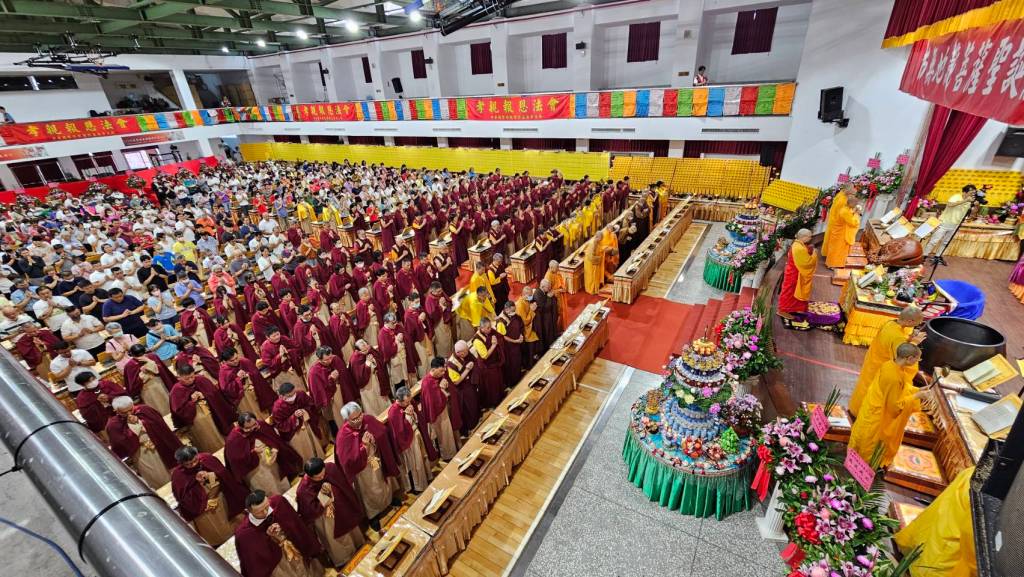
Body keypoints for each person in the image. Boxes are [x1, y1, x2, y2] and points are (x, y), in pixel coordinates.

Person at [848, 343, 930, 467]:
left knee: (862, 434)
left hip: (871, 407)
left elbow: (900, 389)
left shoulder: (889, 365)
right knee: (869, 441)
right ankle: (863, 464)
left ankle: (856, 458)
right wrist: (916, 397)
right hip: (878, 415)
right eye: (917, 359)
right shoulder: (894, 377)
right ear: (909, 358)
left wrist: (917, 390)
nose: (917, 362)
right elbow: (894, 408)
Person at [894, 465, 977, 577]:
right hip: (939, 560)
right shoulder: (986, 493)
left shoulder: (975, 473)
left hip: (928, 543)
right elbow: (974, 543)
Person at [849, 306, 925, 418]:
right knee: (873, 395)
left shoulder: (890, 323)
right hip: (881, 370)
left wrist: (908, 339)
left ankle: (855, 410)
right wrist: (914, 344)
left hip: (872, 363)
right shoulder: (897, 337)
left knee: (864, 388)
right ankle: (861, 415)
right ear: (910, 321)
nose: (916, 326)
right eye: (917, 323)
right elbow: (903, 358)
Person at [296, 457, 368, 569]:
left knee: (351, 529)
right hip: (325, 517)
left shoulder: (330, 468)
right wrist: (323, 498)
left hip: (342, 507)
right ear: (309, 476)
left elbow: (343, 484)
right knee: (335, 539)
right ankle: (344, 560)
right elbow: (310, 512)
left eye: (323, 474)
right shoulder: (303, 489)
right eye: (318, 477)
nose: (322, 478)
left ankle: (359, 546)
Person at [335, 402, 401, 520]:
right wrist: (364, 446)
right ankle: (374, 514)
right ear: (346, 420)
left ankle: (389, 501)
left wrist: (375, 439)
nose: (359, 419)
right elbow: (348, 461)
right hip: (363, 469)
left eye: (360, 415)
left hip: (377, 457)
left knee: (383, 482)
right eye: (354, 419)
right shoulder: (343, 435)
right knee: (370, 490)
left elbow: (383, 432)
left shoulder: (368, 419)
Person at [234, 490, 324, 577]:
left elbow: (296, 524)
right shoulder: (244, 534)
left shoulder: (278, 502)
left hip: (295, 546)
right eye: (260, 512)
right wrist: (270, 539)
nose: (265, 512)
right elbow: (254, 562)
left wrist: (283, 528)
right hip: (278, 565)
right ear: (248, 511)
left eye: (267, 507)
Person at [170, 445, 247, 547]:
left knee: (233, 523)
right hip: (202, 509)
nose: (193, 465)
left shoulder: (206, 458)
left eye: (195, 461)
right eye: (189, 464)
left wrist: (212, 475)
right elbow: (183, 498)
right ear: (182, 464)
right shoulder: (178, 475)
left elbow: (223, 474)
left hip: (220, 497)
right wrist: (198, 484)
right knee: (216, 531)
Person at [106, 396, 183, 488]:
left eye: (131, 409)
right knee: (157, 477)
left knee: (176, 471)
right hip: (141, 451)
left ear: (133, 404)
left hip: (160, 443)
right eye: (124, 413)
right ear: (117, 411)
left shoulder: (144, 410)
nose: (129, 413)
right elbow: (120, 443)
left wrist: (140, 422)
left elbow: (159, 424)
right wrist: (132, 427)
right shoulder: (113, 425)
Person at [224, 412, 301, 495]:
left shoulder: (261, 425)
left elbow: (273, 438)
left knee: (280, 481)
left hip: (272, 462)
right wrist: (252, 453)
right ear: (240, 426)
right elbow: (235, 460)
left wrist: (275, 449)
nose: (252, 429)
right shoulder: (234, 439)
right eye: (248, 428)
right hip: (255, 471)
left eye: (254, 425)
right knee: (269, 488)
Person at [169, 364, 234, 453]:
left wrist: (204, 395)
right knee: (208, 436)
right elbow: (179, 411)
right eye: (187, 379)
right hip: (196, 418)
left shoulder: (200, 379)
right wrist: (191, 402)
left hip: (213, 410)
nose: (191, 380)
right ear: (179, 377)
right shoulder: (176, 390)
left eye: (192, 376)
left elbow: (214, 393)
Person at [387, 386, 435, 492]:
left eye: (409, 401)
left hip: (417, 434)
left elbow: (417, 418)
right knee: (416, 463)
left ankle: (428, 476)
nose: (409, 404)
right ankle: (419, 486)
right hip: (408, 441)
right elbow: (399, 432)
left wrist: (413, 414)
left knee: (423, 457)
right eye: (406, 402)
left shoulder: (410, 402)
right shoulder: (393, 412)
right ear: (399, 400)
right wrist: (408, 416)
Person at [271, 382, 326, 464]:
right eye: (289, 396)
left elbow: (311, 404)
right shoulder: (277, 408)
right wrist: (294, 417)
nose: (293, 397)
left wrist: (304, 411)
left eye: (294, 394)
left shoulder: (300, 394)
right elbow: (280, 425)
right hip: (293, 432)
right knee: (304, 450)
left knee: (313, 443)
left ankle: (320, 459)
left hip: (306, 423)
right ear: (281, 396)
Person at [307, 345, 357, 430]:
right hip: (333, 397)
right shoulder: (314, 372)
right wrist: (331, 380)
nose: (330, 361)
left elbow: (345, 375)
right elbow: (320, 391)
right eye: (326, 360)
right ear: (319, 359)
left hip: (344, 390)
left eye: (330, 357)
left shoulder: (335, 359)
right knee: (341, 417)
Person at [924, 184, 977, 256]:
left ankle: (937, 256)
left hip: (955, 225)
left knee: (945, 242)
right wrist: (965, 200)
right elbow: (950, 204)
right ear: (964, 192)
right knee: (934, 241)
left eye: (974, 193)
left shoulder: (970, 201)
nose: (972, 194)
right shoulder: (956, 197)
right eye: (971, 192)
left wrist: (976, 205)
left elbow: (972, 214)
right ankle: (924, 255)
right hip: (944, 223)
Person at [777, 229, 818, 321]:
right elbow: (807, 263)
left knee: (795, 291)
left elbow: (804, 253)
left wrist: (809, 250)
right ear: (803, 237)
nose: (811, 238)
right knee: (789, 292)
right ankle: (782, 310)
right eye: (809, 236)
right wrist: (814, 254)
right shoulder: (798, 247)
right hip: (794, 273)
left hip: (795, 271)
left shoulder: (798, 244)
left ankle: (796, 308)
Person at [123, 343, 174, 415]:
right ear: (133, 355)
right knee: (156, 409)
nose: (141, 357)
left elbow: (161, 370)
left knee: (168, 403)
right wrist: (142, 375)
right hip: (146, 389)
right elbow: (133, 384)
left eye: (142, 354)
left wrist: (149, 362)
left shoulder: (152, 356)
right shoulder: (130, 365)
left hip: (159, 383)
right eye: (138, 356)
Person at [74, 370, 127, 435]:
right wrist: (98, 403)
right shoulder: (82, 398)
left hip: (123, 414)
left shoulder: (107, 384)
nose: (92, 382)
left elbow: (124, 395)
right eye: (88, 382)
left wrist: (109, 398)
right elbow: (86, 415)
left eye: (93, 379)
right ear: (82, 385)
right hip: (105, 424)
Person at [349, 339, 391, 417]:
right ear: (358, 350)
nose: (366, 348)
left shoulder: (371, 351)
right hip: (367, 387)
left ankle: (387, 414)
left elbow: (380, 361)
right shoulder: (355, 359)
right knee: (372, 405)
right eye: (363, 348)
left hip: (377, 381)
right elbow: (359, 378)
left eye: (366, 345)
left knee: (382, 400)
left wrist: (374, 362)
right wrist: (367, 364)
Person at [447, 340, 480, 437]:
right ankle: (471, 426)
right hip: (462, 389)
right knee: (468, 408)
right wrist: (467, 369)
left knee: (474, 403)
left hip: (470, 384)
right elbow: (456, 382)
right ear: (458, 353)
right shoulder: (451, 364)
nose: (467, 353)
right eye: (465, 352)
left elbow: (473, 360)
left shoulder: (465, 354)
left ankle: (476, 420)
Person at [471, 317, 505, 409]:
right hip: (486, 366)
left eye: (490, 327)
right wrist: (494, 345)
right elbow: (484, 356)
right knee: (491, 385)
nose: (490, 329)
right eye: (488, 328)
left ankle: (500, 398)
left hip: (494, 363)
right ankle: (493, 403)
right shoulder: (477, 340)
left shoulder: (489, 332)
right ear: (481, 328)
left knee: (497, 382)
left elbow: (500, 336)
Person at [824, 187, 862, 269]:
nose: (855, 207)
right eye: (854, 206)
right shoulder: (845, 211)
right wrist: (857, 214)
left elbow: (849, 214)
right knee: (837, 250)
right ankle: (832, 265)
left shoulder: (846, 208)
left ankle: (834, 263)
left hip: (839, 232)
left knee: (837, 249)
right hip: (840, 234)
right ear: (851, 205)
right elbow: (853, 222)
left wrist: (854, 211)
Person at [543, 260, 569, 331]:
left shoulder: (555, 272)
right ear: (551, 267)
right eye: (557, 267)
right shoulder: (548, 276)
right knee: (558, 313)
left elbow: (560, 280)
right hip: (554, 298)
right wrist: (559, 290)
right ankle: (558, 329)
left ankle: (562, 327)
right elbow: (548, 292)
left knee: (562, 311)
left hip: (560, 295)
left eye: (558, 267)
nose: (558, 269)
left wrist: (563, 287)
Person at [534, 277, 559, 350]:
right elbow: (544, 308)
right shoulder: (537, 294)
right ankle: (549, 345)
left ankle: (553, 340)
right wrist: (548, 297)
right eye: (548, 287)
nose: (549, 288)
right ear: (542, 286)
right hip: (544, 318)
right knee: (548, 332)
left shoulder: (545, 291)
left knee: (551, 330)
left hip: (549, 316)